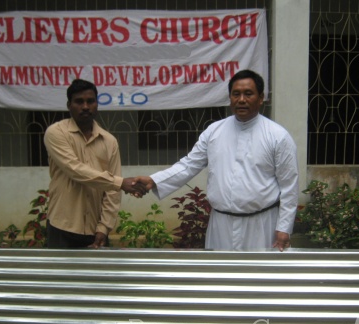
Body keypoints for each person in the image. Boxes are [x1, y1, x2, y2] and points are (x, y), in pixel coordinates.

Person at [133, 69, 298, 251]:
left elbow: (289, 186)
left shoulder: (278, 136)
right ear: (230, 98)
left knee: (258, 277)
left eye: (248, 94)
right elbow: (188, 165)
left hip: (262, 225)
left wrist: (284, 228)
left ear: (260, 98)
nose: (241, 99)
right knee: (221, 276)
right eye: (236, 94)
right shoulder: (214, 131)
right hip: (221, 225)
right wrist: (154, 180)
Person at [44, 79, 146, 249]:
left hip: (95, 231)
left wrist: (104, 228)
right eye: (79, 101)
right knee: (61, 276)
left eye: (90, 101)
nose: (85, 106)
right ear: (69, 105)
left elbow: (112, 194)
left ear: (97, 104)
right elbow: (75, 170)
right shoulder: (56, 133)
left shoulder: (109, 141)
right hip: (61, 226)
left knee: (97, 276)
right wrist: (120, 183)